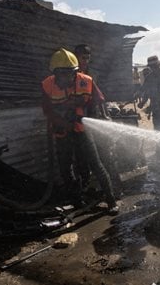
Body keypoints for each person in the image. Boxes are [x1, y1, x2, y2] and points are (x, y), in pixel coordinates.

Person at [41, 48, 118, 214]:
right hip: (62, 130)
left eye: (70, 74)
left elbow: (98, 101)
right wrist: (62, 122)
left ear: (75, 72)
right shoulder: (47, 85)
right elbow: (47, 110)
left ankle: (111, 201)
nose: (67, 78)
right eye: (62, 75)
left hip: (83, 129)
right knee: (65, 168)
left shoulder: (86, 81)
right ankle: (77, 201)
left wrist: (93, 117)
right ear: (55, 73)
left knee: (95, 164)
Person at [137, 55, 160, 128]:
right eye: (151, 66)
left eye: (154, 66)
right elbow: (146, 90)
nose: (153, 68)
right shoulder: (149, 78)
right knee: (158, 127)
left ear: (158, 65)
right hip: (155, 107)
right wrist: (142, 102)